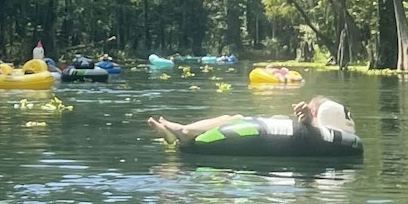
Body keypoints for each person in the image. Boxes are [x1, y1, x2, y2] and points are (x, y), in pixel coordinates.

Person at [148, 94, 355, 146]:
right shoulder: (343, 136)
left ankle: (182, 132)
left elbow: (317, 133)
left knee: (235, 118)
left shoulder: (320, 130)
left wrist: (308, 119)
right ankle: (179, 134)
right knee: (234, 118)